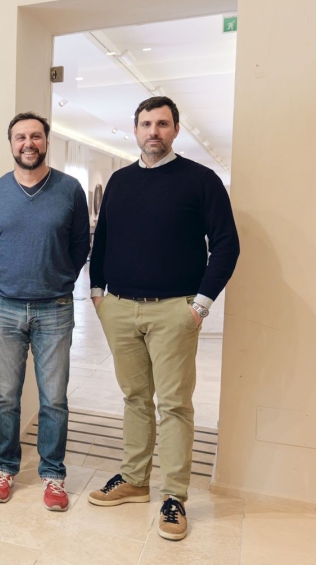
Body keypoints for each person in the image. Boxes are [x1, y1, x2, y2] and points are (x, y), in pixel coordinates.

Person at [87, 97, 240, 541]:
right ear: (135, 130)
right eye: (146, 124)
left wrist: (200, 305)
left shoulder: (201, 180)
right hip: (119, 308)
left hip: (174, 309)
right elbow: (103, 239)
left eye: (162, 124)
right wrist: (97, 293)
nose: (153, 131)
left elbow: (226, 244)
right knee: (135, 397)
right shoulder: (120, 181)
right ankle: (135, 480)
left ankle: (173, 496)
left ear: (175, 129)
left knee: (173, 404)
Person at [0, 112, 90, 511]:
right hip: (4, 308)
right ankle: (4, 467)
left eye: (36, 136)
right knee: (6, 397)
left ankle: (53, 474)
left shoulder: (70, 189)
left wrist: (58, 279)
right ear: (11, 143)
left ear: (46, 141)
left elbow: (81, 245)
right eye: (20, 137)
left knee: (54, 399)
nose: (28, 143)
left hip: (54, 308)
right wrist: (7, 283)